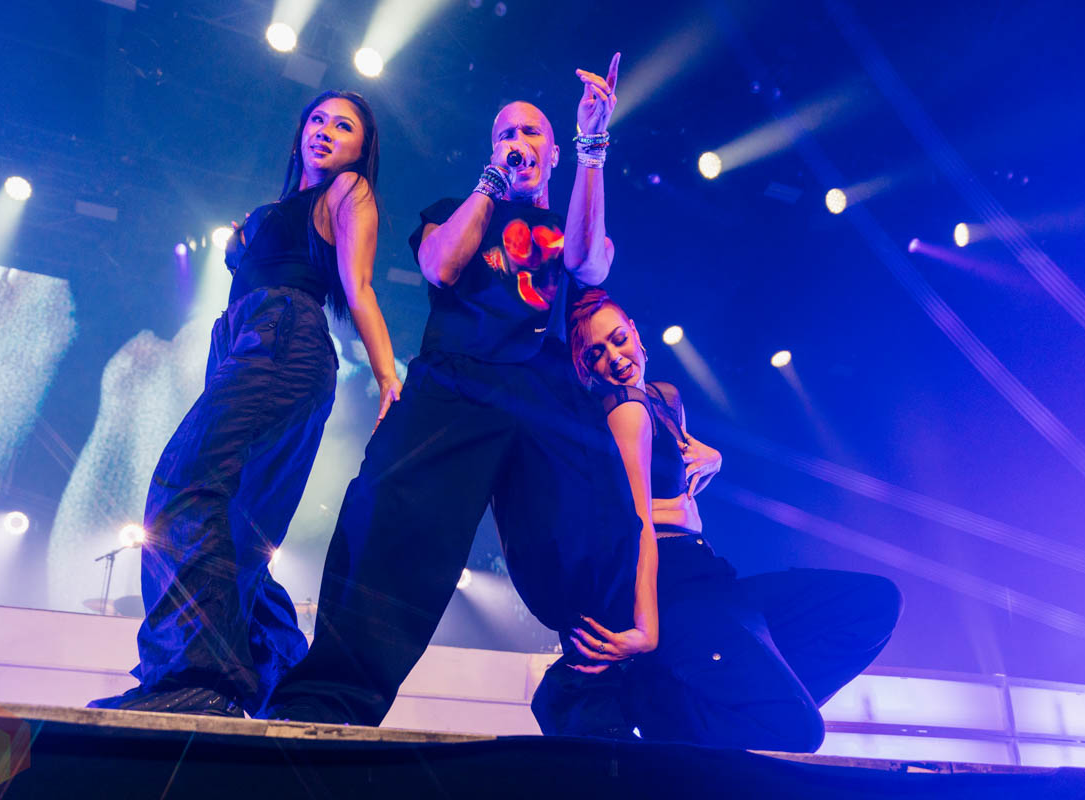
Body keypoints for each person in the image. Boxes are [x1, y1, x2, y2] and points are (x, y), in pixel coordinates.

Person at [264, 54, 659, 725]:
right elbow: (441, 267)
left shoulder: (574, 217)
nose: (518, 142)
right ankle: (329, 702)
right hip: (458, 377)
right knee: (392, 517)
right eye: (506, 133)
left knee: (595, 527)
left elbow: (589, 263)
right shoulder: (455, 210)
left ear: (553, 153)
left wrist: (592, 145)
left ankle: (596, 699)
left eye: (531, 133)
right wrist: (490, 183)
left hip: (545, 392)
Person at [88, 90, 402, 718]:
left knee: (185, 486)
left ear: (361, 149)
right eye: (317, 119)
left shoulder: (347, 192)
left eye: (343, 126)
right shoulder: (277, 209)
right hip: (247, 340)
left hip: (282, 335)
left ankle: (194, 677)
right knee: (238, 529)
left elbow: (360, 287)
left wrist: (389, 378)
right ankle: (278, 687)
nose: (325, 130)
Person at [532, 288, 903, 751]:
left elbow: (679, 476)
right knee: (799, 732)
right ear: (586, 369)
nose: (615, 357)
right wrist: (647, 630)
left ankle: (739, 700)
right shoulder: (622, 409)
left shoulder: (664, 397)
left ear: (637, 336)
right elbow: (635, 523)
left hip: (715, 579)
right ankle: (651, 695)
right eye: (596, 353)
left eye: (619, 339)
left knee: (873, 603)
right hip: (672, 589)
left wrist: (714, 458)